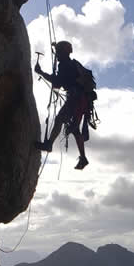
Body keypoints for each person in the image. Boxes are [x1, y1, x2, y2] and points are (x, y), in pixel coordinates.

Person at [34, 40, 91, 170]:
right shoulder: (72, 64)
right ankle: (83, 157)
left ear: (63, 53)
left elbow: (58, 82)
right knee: (74, 127)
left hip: (75, 99)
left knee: (60, 119)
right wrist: (56, 46)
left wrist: (41, 72)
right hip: (81, 100)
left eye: (58, 53)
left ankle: (48, 144)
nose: (57, 55)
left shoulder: (65, 65)